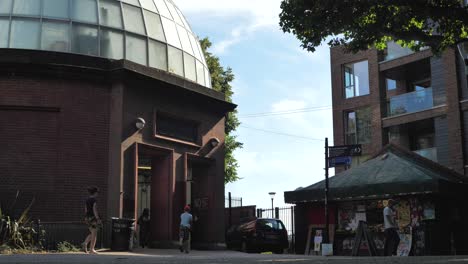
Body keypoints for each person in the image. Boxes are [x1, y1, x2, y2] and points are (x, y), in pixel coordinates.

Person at [82, 186, 101, 254]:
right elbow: (94, 210)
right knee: (94, 233)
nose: (98, 194)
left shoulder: (87, 200)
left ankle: (85, 243)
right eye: (97, 193)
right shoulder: (94, 200)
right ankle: (91, 249)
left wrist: (86, 217)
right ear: (95, 193)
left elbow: (86, 210)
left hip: (87, 217)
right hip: (93, 218)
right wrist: (98, 218)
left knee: (92, 232)